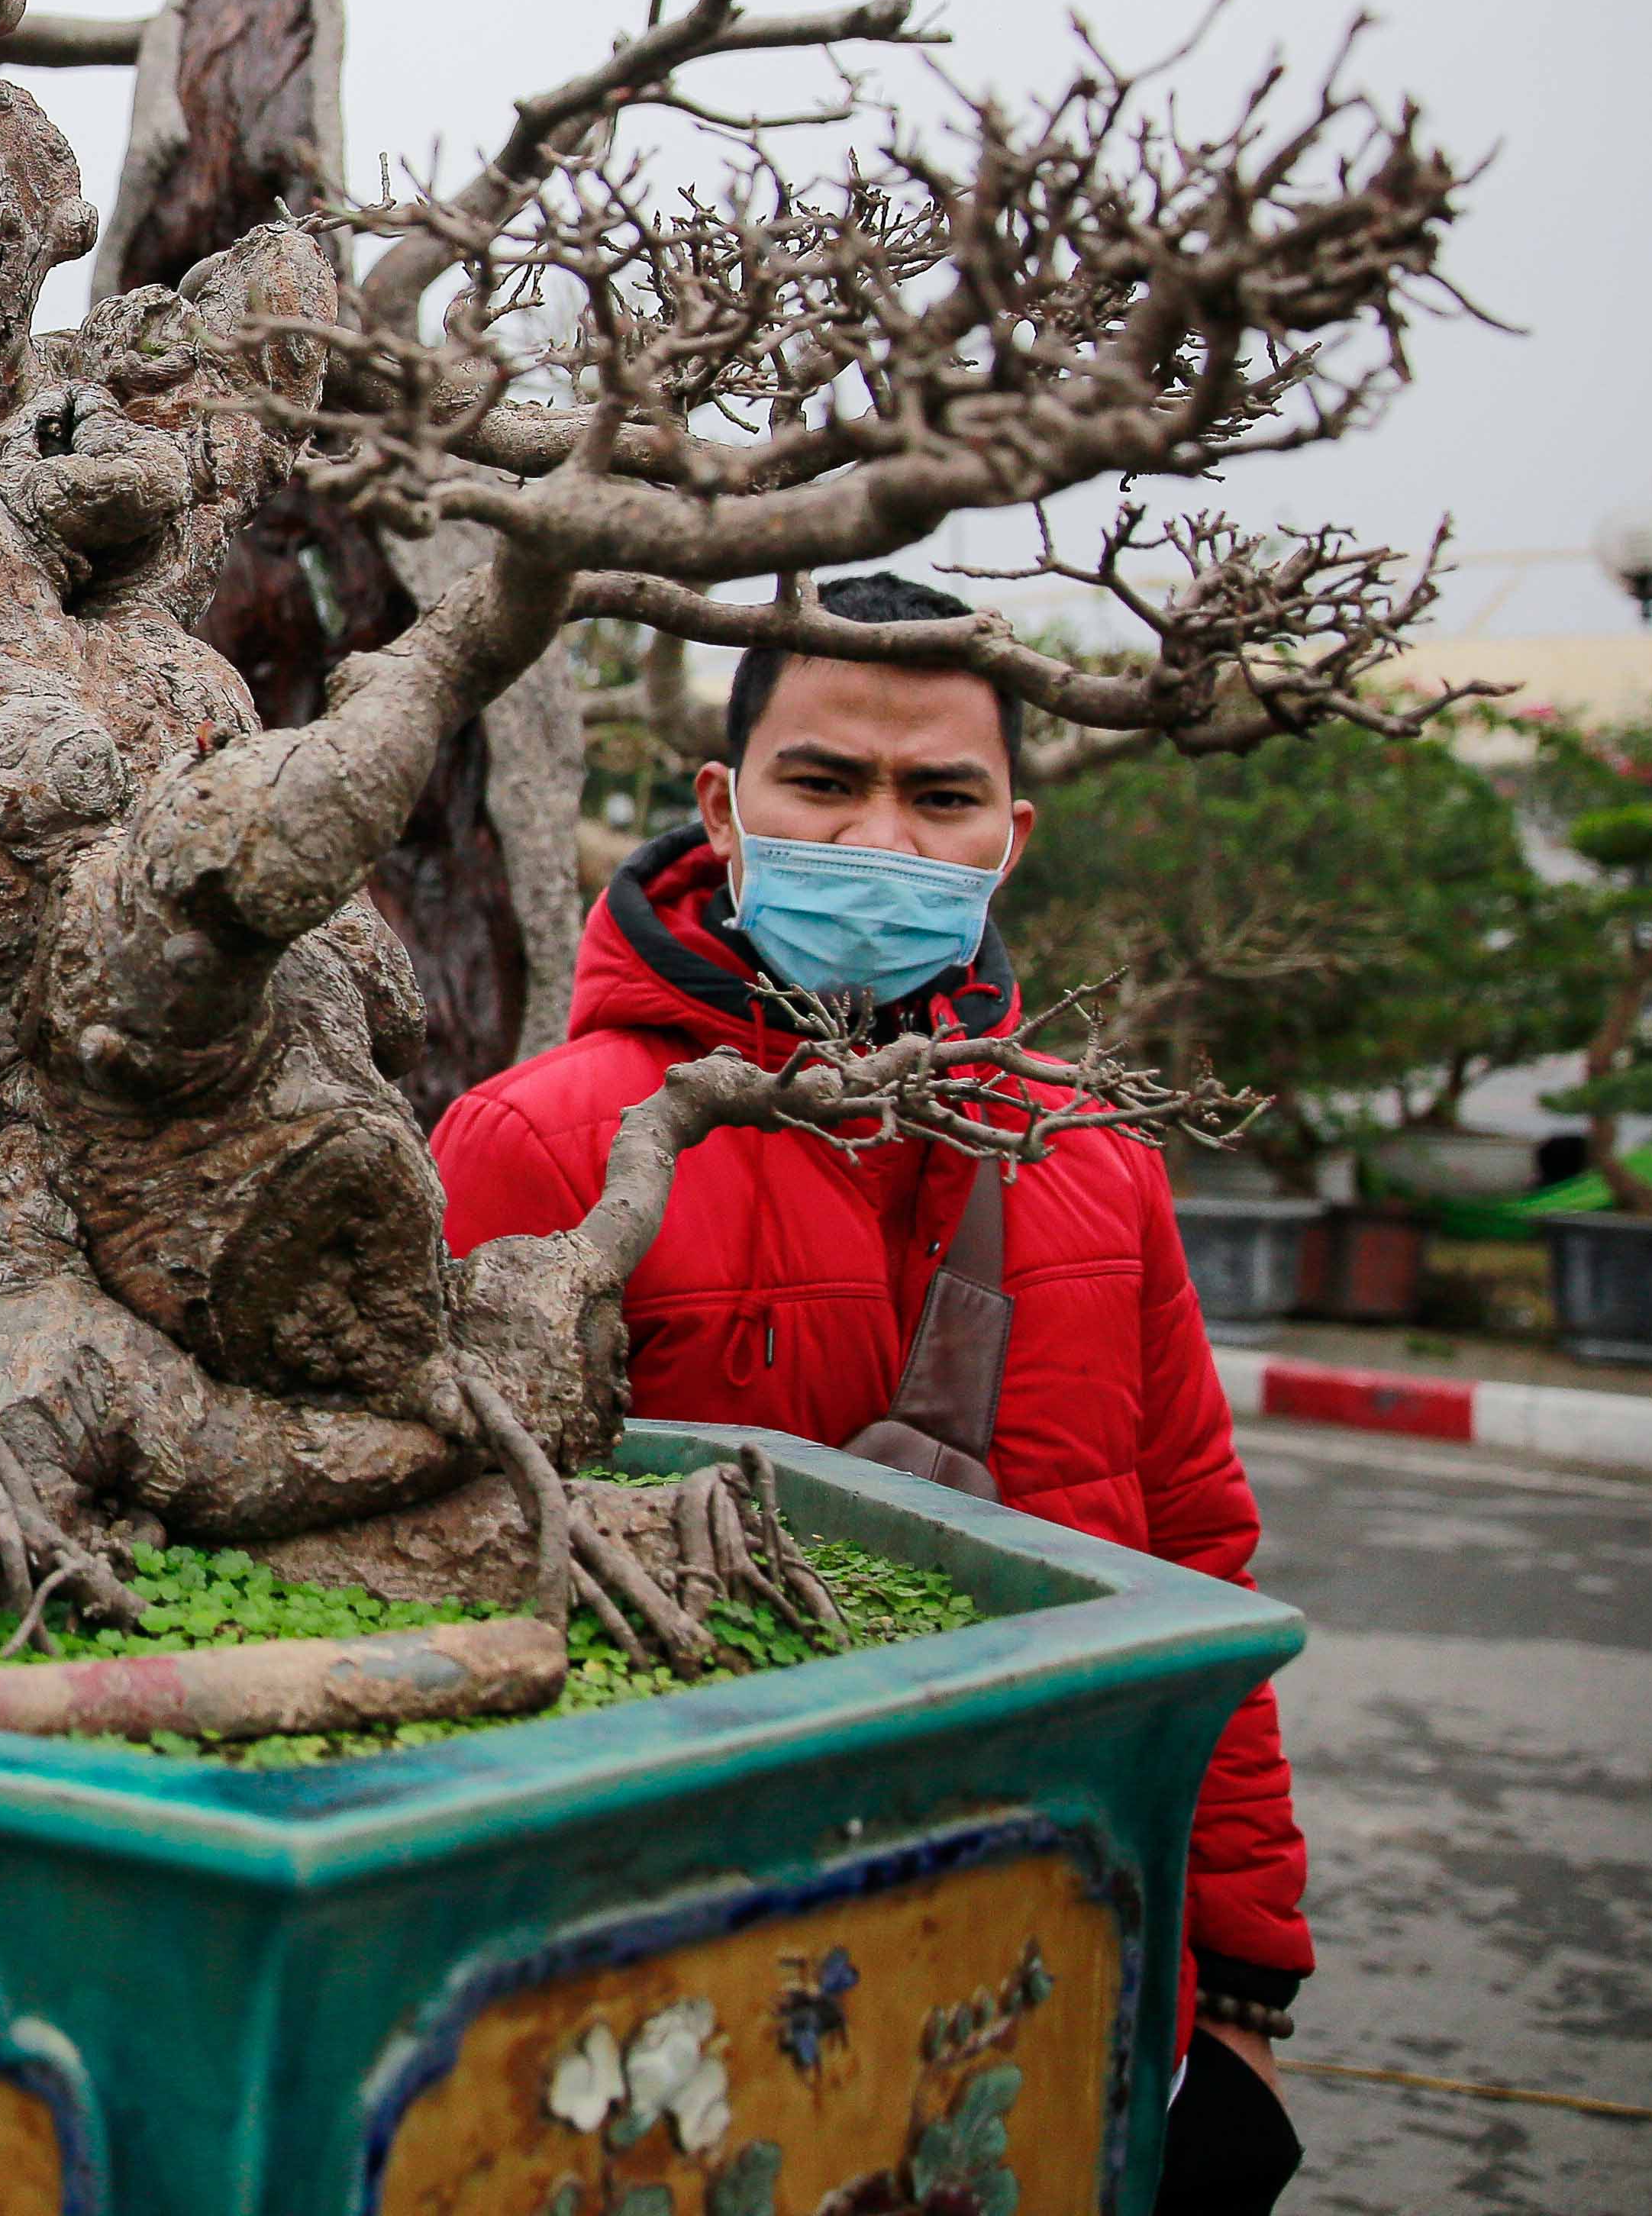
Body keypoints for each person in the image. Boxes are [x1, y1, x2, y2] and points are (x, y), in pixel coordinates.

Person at [431, 573, 1308, 2214]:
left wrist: (1247, 1986)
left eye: (941, 795)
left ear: (1013, 835)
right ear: (724, 803)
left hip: (1076, 1976)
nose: (886, 840)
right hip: (681, 2018)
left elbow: (1194, 1555)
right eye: (827, 784)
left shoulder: (1092, 1153)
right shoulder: (541, 1148)